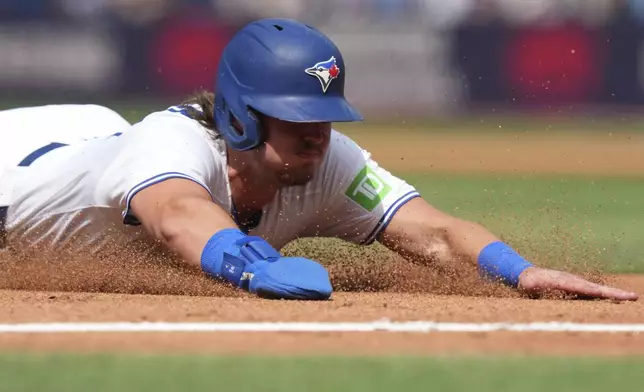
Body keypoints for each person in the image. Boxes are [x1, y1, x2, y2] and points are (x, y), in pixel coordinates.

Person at [0, 18, 638, 301]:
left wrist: (516, 270)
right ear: (242, 117)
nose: (318, 135)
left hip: (83, 139)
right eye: (298, 118)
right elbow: (175, 214)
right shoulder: (170, 146)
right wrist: (255, 267)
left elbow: (436, 232)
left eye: (325, 118)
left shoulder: (324, 163)